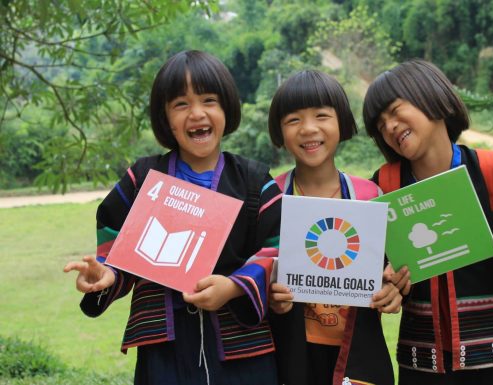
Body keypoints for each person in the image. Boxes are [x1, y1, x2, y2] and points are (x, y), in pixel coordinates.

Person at [63, 50, 282, 385]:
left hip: (241, 349)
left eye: (209, 100)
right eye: (181, 104)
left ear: (226, 108)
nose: (196, 113)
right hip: (164, 350)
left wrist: (235, 286)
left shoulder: (254, 181)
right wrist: (106, 272)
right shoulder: (143, 179)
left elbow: (276, 248)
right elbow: (116, 241)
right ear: (165, 117)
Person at [363, 59, 493, 385]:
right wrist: (386, 282)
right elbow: (373, 262)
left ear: (433, 97)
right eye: (380, 124)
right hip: (423, 368)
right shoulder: (384, 185)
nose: (389, 126)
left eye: (395, 110)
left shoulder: (491, 172)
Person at [267, 69, 407, 385]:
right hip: (289, 358)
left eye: (321, 116)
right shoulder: (270, 197)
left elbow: (392, 270)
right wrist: (269, 297)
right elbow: (254, 271)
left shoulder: (371, 197)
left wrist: (392, 291)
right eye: (293, 120)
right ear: (280, 132)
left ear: (342, 123)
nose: (309, 129)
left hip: (360, 358)